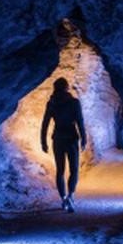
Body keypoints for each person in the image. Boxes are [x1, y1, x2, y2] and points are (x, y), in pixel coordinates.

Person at [40, 77, 87, 212]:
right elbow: (80, 121)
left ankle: (63, 198)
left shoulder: (52, 103)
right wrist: (84, 138)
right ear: (67, 88)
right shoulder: (74, 102)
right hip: (71, 138)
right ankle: (71, 196)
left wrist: (43, 141)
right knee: (74, 169)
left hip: (58, 138)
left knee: (60, 170)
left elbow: (45, 123)